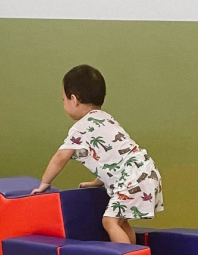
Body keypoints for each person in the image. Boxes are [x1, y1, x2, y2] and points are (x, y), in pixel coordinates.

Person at [31, 65, 162, 244]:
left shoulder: (80, 128)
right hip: (146, 172)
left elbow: (61, 157)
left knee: (109, 222)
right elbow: (111, 158)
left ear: (74, 100)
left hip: (132, 178)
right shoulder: (107, 119)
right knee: (121, 221)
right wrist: (96, 182)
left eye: (63, 99)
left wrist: (45, 182)